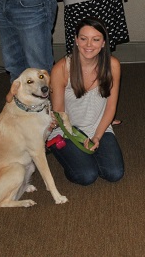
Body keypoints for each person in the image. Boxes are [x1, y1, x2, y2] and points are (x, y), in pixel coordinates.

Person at [47, 17, 124, 186]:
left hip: (98, 127)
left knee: (114, 173)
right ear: (75, 40)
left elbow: (111, 108)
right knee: (87, 176)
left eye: (96, 39)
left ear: (103, 43)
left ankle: (83, 155)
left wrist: (97, 136)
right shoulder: (61, 68)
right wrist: (77, 140)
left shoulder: (113, 65)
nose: (89, 45)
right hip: (67, 130)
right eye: (83, 38)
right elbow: (59, 113)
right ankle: (66, 152)